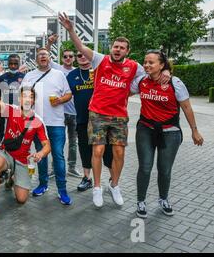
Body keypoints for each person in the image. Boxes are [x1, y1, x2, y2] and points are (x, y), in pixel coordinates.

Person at [59, 11, 170, 208]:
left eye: (122, 48)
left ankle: (115, 185)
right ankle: (97, 187)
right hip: (98, 113)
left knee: (119, 153)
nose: (118, 50)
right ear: (111, 47)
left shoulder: (134, 66)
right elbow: (81, 48)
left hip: (119, 115)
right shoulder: (100, 60)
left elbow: (153, 70)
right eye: (116, 46)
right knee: (98, 150)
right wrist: (71, 30)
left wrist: (167, 70)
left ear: (127, 51)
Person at [131, 50, 203, 218]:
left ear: (162, 65)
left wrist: (194, 131)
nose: (147, 65)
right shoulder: (141, 80)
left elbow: (186, 107)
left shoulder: (174, 83)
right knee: (145, 167)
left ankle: (163, 199)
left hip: (170, 132)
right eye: (145, 62)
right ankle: (140, 201)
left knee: (164, 169)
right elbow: (124, 91)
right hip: (145, 129)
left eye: (152, 62)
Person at [0, 81, 51, 228]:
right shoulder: (12, 110)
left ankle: (11, 176)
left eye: (30, 97)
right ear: (19, 99)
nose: (27, 100)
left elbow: (47, 146)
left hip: (23, 159)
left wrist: (40, 154)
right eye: (24, 96)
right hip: (6, 152)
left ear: (34, 101)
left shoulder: (38, 121)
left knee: (21, 200)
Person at [21, 47, 73, 205]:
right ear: (36, 59)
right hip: (37, 123)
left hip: (56, 122)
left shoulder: (59, 75)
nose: (43, 57)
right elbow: (22, 96)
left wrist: (60, 100)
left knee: (58, 155)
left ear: (50, 58)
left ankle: (62, 190)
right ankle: (43, 184)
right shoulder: (29, 76)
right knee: (40, 155)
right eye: (40, 55)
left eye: (46, 55)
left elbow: (69, 94)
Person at [66, 51, 114, 191]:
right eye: (79, 55)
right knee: (84, 148)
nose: (82, 57)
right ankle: (87, 178)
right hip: (82, 119)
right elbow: (66, 93)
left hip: (102, 119)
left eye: (85, 54)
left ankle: (112, 180)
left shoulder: (101, 71)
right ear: (76, 58)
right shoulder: (72, 75)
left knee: (107, 150)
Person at [47, 35, 81, 178]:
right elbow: (46, 57)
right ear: (62, 59)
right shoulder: (57, 69)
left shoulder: (77, 71)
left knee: (73, 142)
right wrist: (49, 43)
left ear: (73, 58)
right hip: (59, 113)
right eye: (65, 56)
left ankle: (72, 167)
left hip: (74, 113)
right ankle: (55, 168)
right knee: (58, 142)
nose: (68, 58)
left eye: (70, 56)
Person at [0, 54, 25, 141]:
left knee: (19, 140)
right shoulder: (1, 78)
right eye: (11, 63)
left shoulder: (25, 78)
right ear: (7, 64)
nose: (13, 66)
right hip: (4, 115)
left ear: (19, 64)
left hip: (20, 114)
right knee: (4, 140)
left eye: (15, 63)